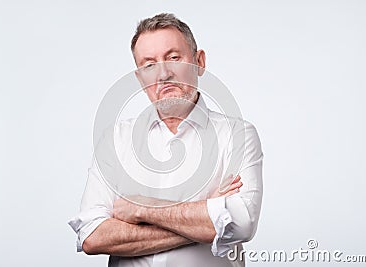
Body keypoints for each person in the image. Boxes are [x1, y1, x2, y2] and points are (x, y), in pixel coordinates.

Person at [68, 13, 263, 267]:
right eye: (149, 64)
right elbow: (92, 237)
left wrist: (140, 209)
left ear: (199, 62)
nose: (163, 74)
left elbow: (241, 223)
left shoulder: (238, 136)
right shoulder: (116, 139)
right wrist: (205, 214)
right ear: (139, 78)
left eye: (173, 57)